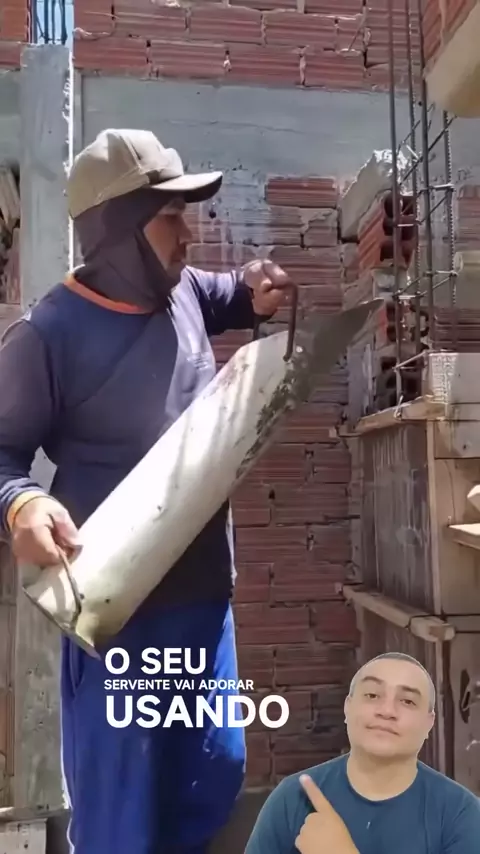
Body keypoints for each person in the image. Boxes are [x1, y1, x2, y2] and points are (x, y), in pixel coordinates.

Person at [0, 128, 291, 854]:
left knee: (211, 776)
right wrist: (23, 502)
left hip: (203, 601)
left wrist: (254, 292)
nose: (189, 234)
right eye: (171, 217)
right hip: (119, 620)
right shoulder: (48, 335)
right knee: (123, 815)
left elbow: (230, 295)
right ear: (120, 228)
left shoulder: (182, 289)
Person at [245, 651, 480, 853]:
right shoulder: (292, 798)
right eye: (372, 695)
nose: (387, 711)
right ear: (347, 707)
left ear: (429, 723)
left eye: (407, 701)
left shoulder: (460, 813)